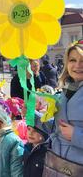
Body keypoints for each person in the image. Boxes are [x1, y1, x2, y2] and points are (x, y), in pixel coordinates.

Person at [41, 39, 83, 175]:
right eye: (72, 60)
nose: (78, 65)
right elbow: (57, 127)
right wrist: (35, 113)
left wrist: (76, 135)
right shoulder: (65, 89)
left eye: (82, 60)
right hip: (56, 163)